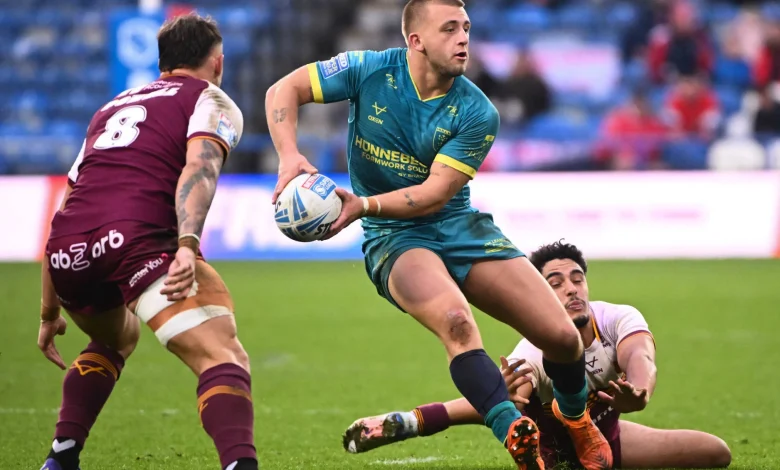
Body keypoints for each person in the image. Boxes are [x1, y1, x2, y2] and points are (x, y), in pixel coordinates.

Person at [266, 1, 611, 468]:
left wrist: (361, 204)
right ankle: (514, 430)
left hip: (457, 225)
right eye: (449, 29)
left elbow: (433, 194)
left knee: (564, 338)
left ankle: (575, 420)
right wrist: (289, 155)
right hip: (394, 235)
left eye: (466, 28)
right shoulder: (368, 70)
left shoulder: (477, 111)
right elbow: (282, 90)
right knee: (456, 322)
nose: (463, 38)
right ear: (416, 40)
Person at [37, 13, 257, 470]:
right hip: (137, 240)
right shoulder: (209, 98)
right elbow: (200, 167)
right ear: (217, 62)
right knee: (223, 354)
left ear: (162, 63)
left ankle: (61, 456)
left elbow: (67, 205)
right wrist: (186, 245)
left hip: (69, 251)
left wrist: (48, 312)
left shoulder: (110, 108)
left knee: (117, 338)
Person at [342, 241, 732, 469]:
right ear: (540, 294)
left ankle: (412, 421)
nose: (571, 289)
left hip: (609, 437)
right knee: (502, 398)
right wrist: (508, 396)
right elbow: (500, 398)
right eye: (555, 283)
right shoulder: (533, 347)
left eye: (577, 278)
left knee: (717, 453)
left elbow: (641, 357)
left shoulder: (617, 317)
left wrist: (641, 392)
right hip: (549, 444)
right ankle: (412, 422)